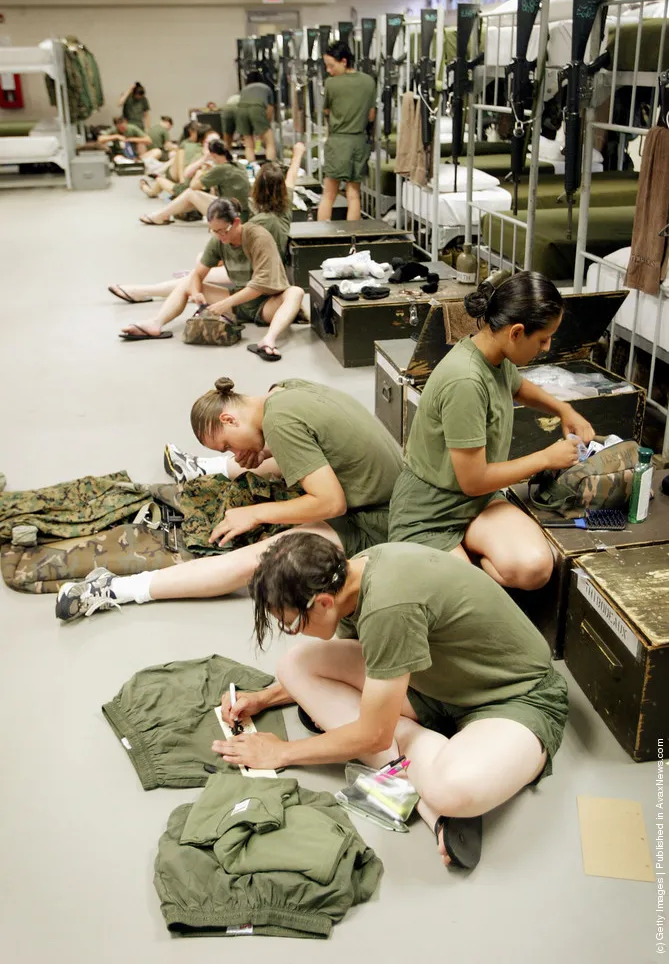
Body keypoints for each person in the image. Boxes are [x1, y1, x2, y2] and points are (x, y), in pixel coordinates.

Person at [209, 532, 569, 870]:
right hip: (434, 681)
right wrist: (266, 698)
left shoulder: (388, 606)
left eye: (292, 624)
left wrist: (282, 753)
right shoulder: (353, 573)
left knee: (451, 791)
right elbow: (377, 654)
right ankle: (418, 758)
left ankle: (415, 757)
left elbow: (374, 737)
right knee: (294, 665)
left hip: (516, 697)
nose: (295, 631)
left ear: (323, 602)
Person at [55, 377, 403, 622]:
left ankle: (117, 589)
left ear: (229, 418)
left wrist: (255, 513)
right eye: (226, 453)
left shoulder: (280, 424)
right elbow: (313, 441)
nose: (235, 453)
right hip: (390, 490)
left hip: (381, 520)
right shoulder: (283, 392)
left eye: (227, 445)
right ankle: (203, 467)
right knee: (273, 459)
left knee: (268, 556)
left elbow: (331, 504)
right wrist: (262, 451)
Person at [388, 271, 595, 590]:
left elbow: (517, 386)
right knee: (467, 594)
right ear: (517, 332)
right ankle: (459, 568)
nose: (546, 347)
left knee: (535, 569)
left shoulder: (494, 353)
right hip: (430, 510)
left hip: (479, 500)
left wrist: (563, 409)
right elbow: (473, 480)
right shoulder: (466, 381)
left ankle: (466, 558)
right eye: (543, 339)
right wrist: (546, 458)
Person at [108, 144, 305, 304]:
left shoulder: (255, 225)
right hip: (267, 268)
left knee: (193, 278)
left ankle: (142, 291)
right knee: (201, 263)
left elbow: (237, 252)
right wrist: (297, 154)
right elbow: (292, 176)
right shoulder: (285, 207)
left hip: (253, 272)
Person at [120, 199, 302, 357]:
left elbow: (259, 286)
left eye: (223, 230)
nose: (220, 236)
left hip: (265, 305)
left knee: (295, 292)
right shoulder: (219, 240)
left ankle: (269, 339)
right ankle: (156, 323)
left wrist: (225, 304)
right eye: (214, 231)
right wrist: (195, 292)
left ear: (236, 222)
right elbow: (197, 274)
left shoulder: (258, 237)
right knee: (186, 282)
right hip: (238, 301)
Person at [317, 41, 376, 222]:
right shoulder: (369, 81)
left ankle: (319, 235)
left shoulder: (332, 84)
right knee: (354, 195)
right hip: (359, 142)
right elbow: (371, 115)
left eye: (331, 66)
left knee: (329, 195)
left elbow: (326, 110)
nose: (328, 70)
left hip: (338, 142)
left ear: (344, 61)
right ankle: (353, 237)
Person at [139, 140, 250, 225]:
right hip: (241, 212)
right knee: (192, 196)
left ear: (213, 155)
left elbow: (193, 185)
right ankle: (163, 215)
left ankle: (160, 215)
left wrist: (203, 171)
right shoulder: (238, 165)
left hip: (230, 215)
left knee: (190, 193)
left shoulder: (220, 169)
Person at [237, 71, 276, 163]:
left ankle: (252, 166)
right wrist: (266, 126)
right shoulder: (266, 88)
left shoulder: (244, 89)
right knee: (270, 143)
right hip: (257, 108)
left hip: (241, 110)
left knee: (248, 144)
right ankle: (270, 166)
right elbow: (270, 109)